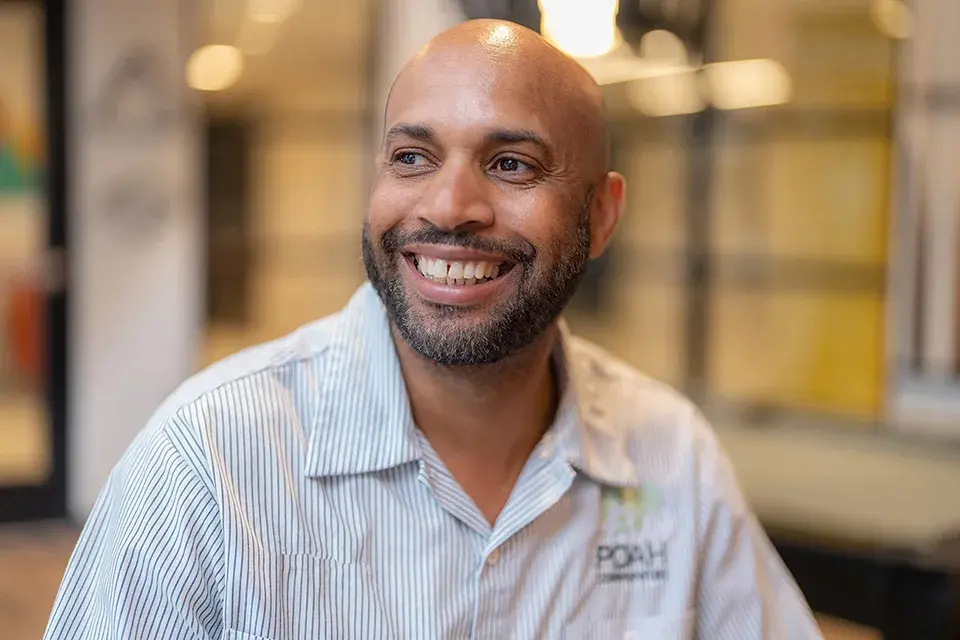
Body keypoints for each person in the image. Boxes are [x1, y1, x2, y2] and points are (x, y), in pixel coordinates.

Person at [44, 19, 823, 640]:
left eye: (512, 164)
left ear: (602, 213)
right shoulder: (211, 458)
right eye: (413, 156)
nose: (449, 207)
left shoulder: (670, 457)